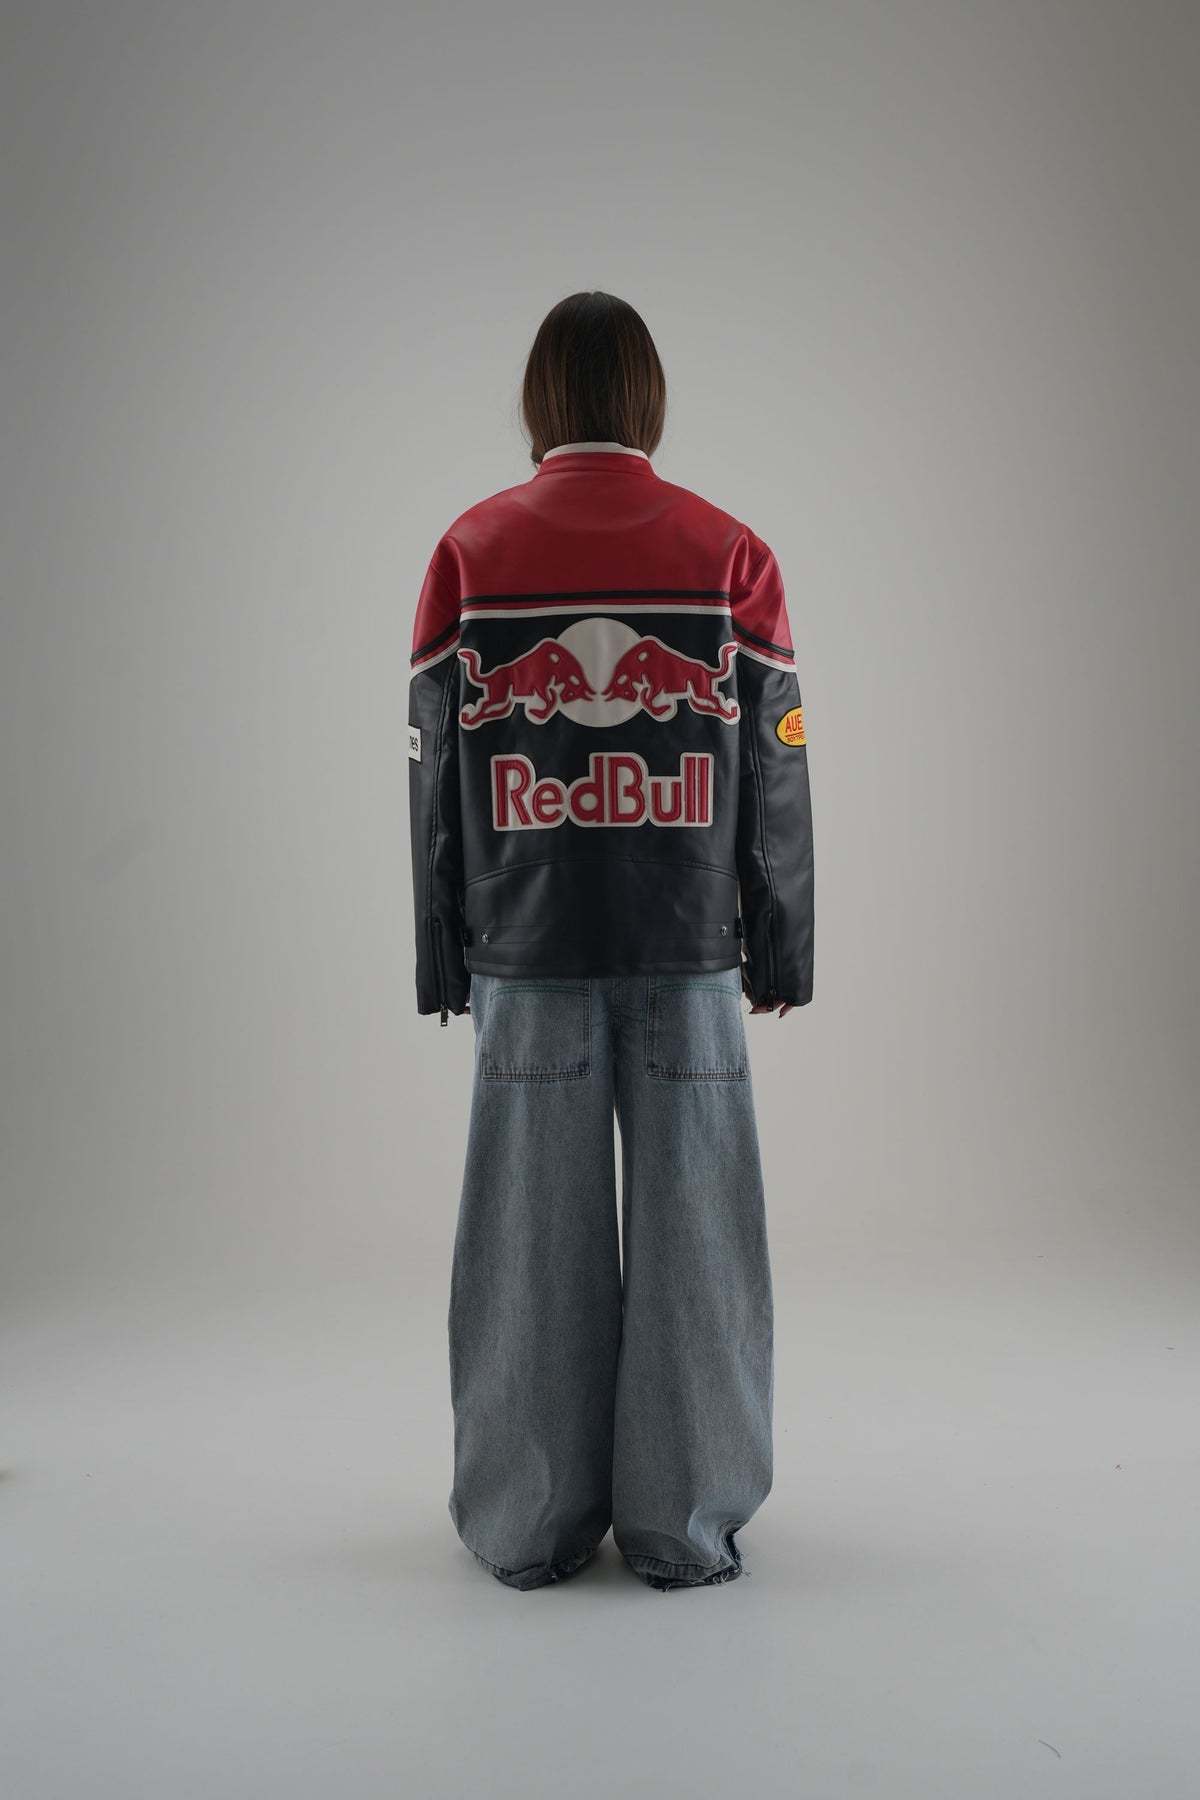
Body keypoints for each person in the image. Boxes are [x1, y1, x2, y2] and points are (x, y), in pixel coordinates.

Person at [407, 292, 814, 1592]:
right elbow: (777, 761)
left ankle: (527, 1527)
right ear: (648, 398)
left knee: (529, 1245)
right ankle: (683, 1527)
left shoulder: (471, 552)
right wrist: (781, 941)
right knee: (701, 1239)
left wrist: (441, 951)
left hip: (524, 952)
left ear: (541, 399)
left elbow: (434, 771)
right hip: (690, 949)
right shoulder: (728, 551)